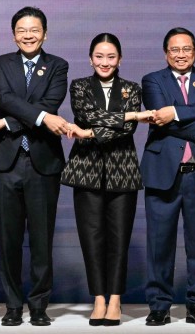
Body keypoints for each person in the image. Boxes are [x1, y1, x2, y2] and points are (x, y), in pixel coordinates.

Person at [0, 7, 70, 326]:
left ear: (45, 33)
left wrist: (6, 123)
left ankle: (39, 305)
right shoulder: (1, 63)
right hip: (6, 162)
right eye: (22, 30)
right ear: (14, 34)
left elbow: (51, 103)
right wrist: (42, 118)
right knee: (9, 237)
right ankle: (12, 305)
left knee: (41, 237)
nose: (28, 35)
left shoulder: (58, 66)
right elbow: (4, 97)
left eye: (34, 30)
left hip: (43, 162)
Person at [61, 33, 153, 327]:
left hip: (122, 170)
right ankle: (98, 298)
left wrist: (90, 133)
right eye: (99, 56)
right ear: (90, 59)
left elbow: (126, 131)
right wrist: (131, 116)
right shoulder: (79, 86)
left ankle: (115, 299)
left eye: (111, 56)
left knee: (118, 238)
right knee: (92, 237)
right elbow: (85, 115)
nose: (104, 62)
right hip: (85, 170)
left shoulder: (131, 88)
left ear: (120, 59)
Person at [140, 28, 195, 326]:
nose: (181, 54)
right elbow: (159, 121)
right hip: (163, 172)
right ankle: (159, 306)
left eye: (186, 49)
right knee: (159, 243)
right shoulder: (153, 80)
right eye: (175, 49)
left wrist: (174, 113)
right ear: (166, 53)